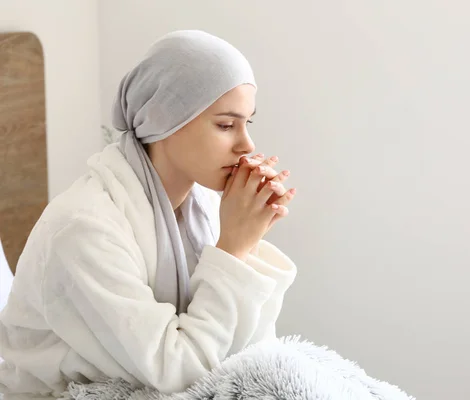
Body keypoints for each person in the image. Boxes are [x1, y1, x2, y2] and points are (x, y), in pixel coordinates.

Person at [0, 30, 297, 399]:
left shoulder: (201, 204)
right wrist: (234, 249)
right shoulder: (84, 229)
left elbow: (247, 349)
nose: (247, 145)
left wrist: (248, 239)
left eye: (247, 123)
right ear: (165, 120)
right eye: (225, 125)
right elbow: (178, 371)